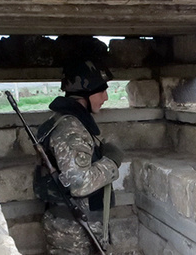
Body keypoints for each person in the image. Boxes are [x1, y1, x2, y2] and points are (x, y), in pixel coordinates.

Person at [36, 59, 123, 254]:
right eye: (101, 91)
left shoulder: (64, 121)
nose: (106, 97)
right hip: (74, 234)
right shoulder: (71, 130)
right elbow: (80, 183)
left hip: (75, 227)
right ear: (85, 92)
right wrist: (112, 162)